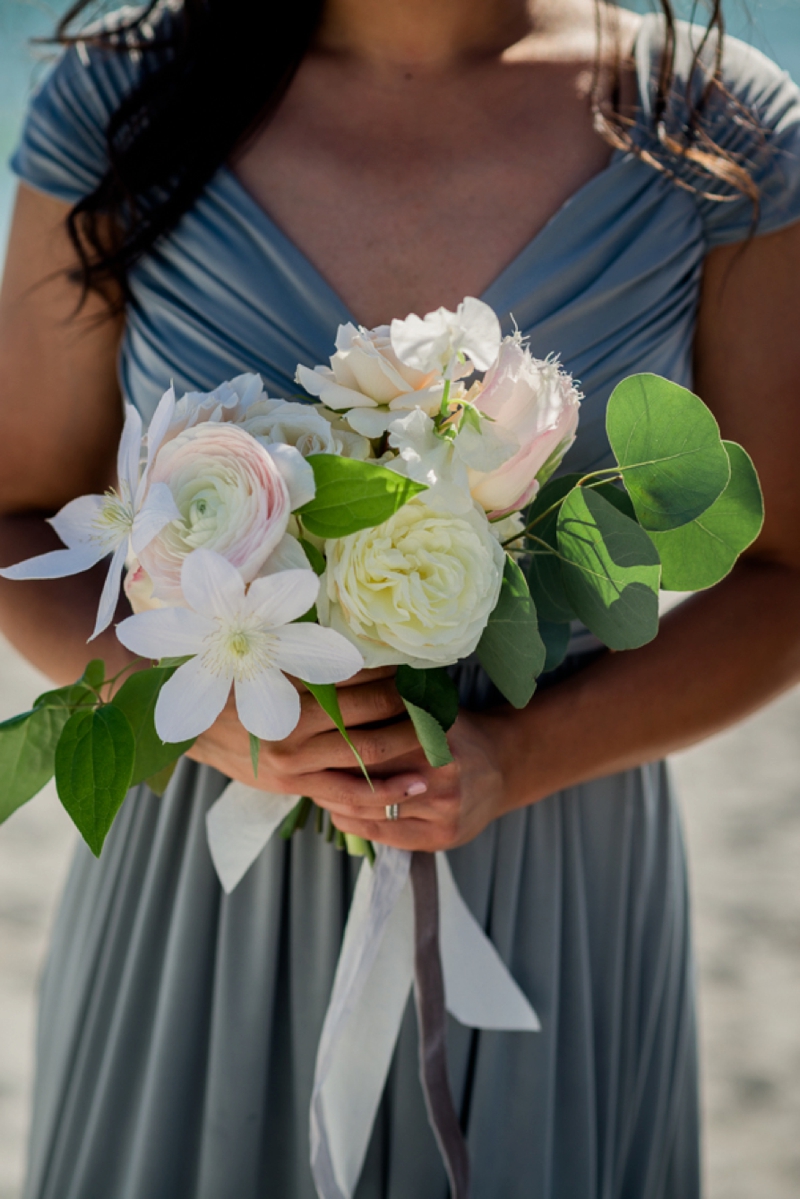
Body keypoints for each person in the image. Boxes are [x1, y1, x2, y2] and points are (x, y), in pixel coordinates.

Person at [1, 0, 799, 1195]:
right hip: (204, 861)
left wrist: (511, 759)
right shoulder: (124, 94)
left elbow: (784, 571)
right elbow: (17, 515)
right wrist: (204, 712)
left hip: (552, 849)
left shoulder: (714, 125)